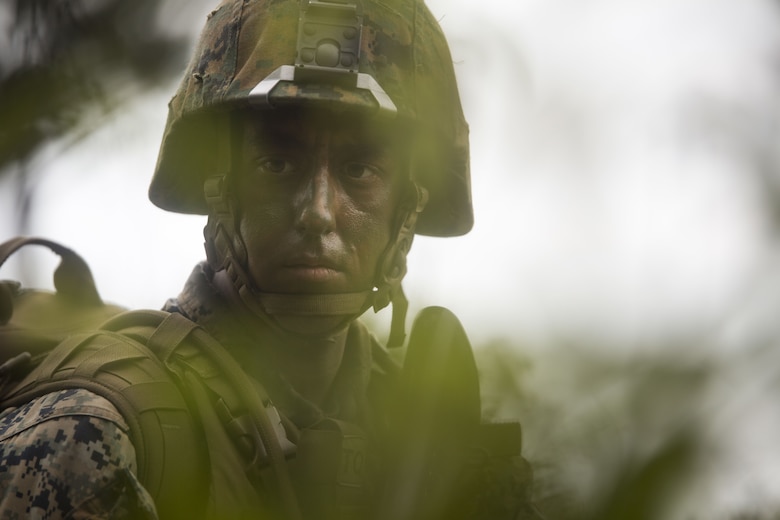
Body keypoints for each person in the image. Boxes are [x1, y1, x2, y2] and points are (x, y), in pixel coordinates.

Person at [0, 0, 543, 518]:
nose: (319, 213)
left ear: (408, 209)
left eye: (360, 171)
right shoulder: (92, 430)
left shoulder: (436, 442)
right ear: (219, 187)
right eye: (277, 163)